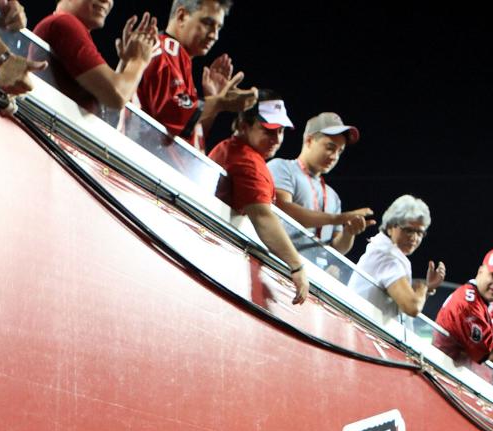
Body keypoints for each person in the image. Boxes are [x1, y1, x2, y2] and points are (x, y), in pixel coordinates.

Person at [208, 92, 310, 305]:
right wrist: (296, 266)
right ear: (244, 126)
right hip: (222, 258)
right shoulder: (248, 162)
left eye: (281, 131)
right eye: (269, 131)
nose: (277, 139)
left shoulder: (231, 147)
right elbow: (263, 218)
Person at [136, 0, 256, 149]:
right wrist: (219, 103)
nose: (215, 35)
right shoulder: (167, 51)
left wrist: (212, 101)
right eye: (207, 23)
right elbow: (174, 116)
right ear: (181, 16)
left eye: (218, 27)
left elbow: (185, 138)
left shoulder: (178, 58)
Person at [268, 113, 373, 255]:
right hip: (278, 262)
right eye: (330, 147)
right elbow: (283, 211)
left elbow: (337, 248)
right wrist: (337, 219)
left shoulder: (333, 196)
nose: (334, 156)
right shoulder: (282, 167)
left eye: (339, 151)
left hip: (311, 272)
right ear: (309, 141)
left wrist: (349, 233)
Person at [34, 1, 158, 109]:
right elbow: (117, 95)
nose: (107, 1)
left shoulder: (66, 25)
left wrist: (126, 63)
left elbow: (105, 104)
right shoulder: (64, 23)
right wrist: (138, 60)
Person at [347, 195, 444, 318]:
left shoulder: (380, 250)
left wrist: (428, 289)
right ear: (390, 228)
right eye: (408, 230)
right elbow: (412, 307)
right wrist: (422, 287)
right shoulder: (387, 257)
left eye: (420, 232)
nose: (414, 238)